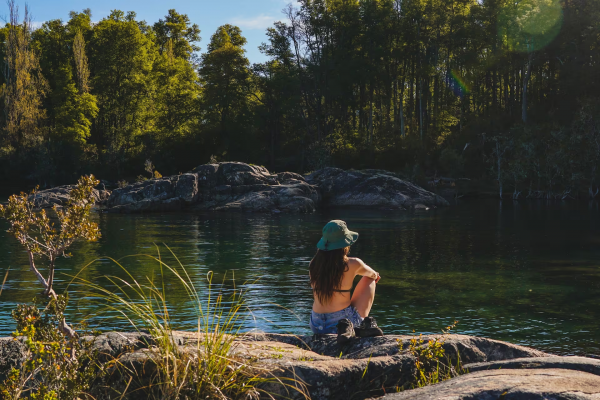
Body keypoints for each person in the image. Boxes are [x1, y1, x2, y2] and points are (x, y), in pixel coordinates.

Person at [309, 220, 383, 343]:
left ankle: (349, 328)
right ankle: (355, 327)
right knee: (370, 278)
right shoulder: (353, 263)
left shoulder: (314, 264)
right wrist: (375, 277)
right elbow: (373, 274)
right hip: (341, 322)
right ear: (344, 243)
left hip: (316, 323)